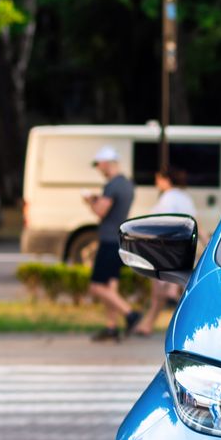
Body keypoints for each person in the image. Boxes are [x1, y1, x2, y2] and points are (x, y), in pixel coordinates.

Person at [83, 146, 140, 342]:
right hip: (120, 237)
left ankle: (130, 314)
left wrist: (89, 202)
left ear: (106, 163)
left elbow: (101, 212)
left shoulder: (112, 185)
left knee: (97, 286)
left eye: (99, 164)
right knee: (110, 286)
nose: (99, 169)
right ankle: (111, 327)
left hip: (108, 240)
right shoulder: (127, 184)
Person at [137, 168, 195, 337]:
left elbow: (160, 222)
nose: (156, 183)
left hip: (164, 249)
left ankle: (186, 323)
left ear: (166, 179)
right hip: (181, 248)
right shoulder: (185, 197)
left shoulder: (168, 198)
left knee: (161, 292)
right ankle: (146, 325)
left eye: (158, 179)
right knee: (167, 291)